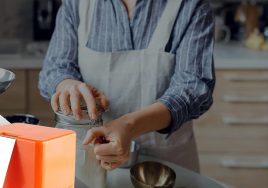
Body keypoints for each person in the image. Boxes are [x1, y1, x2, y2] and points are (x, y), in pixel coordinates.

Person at [39, 0, 215, 172]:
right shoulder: (76, 4)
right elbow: (56, 68)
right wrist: (67, 84)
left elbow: (193, 88)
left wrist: (129, 126)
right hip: (94, 160)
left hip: (167, 166)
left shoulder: (190, 6)